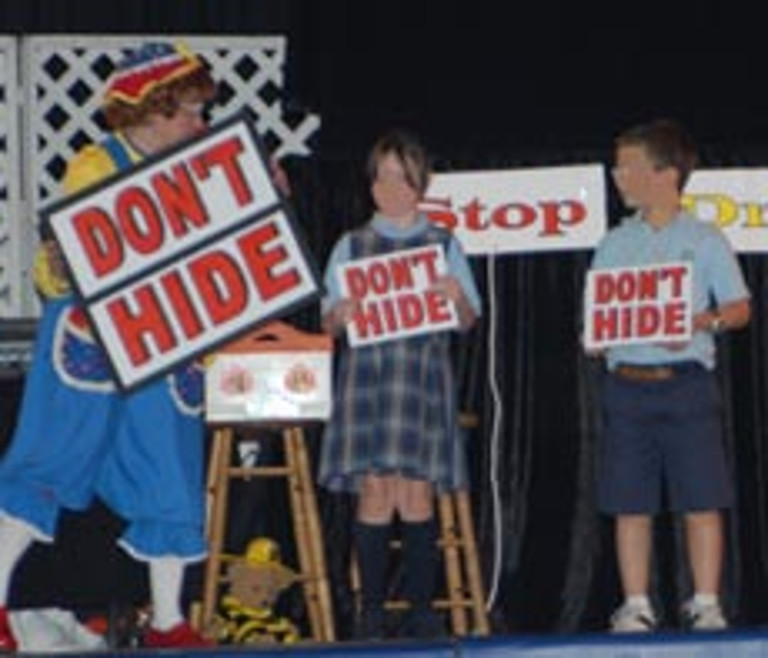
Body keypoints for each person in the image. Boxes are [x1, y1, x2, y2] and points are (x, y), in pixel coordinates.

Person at [0, 42, 233, 651]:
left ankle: (167, 620)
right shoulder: (95, 166)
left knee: (171, 475)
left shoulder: (201, 176)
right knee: (49, 464)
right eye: (188, 111)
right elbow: (60, 266)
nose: (198, 124)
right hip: (93, 344)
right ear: (153, 110)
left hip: (162, 343)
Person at [586, 118, 751, 633]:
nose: (618, 177)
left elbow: (740, 307)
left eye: (628, 167)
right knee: (628, 501)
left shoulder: (704, 239)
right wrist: (595, 335)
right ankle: (635, 602)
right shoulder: (613, 242)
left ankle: (705, 600)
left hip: (685, 383)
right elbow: (598, 311)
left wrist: (705, 321)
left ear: (665, 174)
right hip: (626, 383)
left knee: (701, 495)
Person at [317, 130, 482, 639]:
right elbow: (327, 323)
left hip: (421, 380)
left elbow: (469, 320)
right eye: (382, 177)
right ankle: (369, 611)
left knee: (416, 495)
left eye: (401, 177)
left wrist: (455, 296)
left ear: (420, 184)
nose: (391, 187)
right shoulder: (351, 244)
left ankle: (419, 610)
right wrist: (339, 315)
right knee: (374, 491)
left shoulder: (444, 243)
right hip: (368, 381)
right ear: (371, 184)